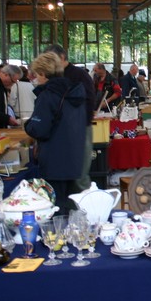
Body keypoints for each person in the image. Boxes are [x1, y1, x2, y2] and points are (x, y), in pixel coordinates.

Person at [25, 52, 86, 214]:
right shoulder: (76, 93)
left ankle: (55, 238)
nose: (36, 78)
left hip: (54, 161)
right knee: (69, 207)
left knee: (54, 208)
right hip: (74, 159)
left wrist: (27, 125)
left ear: (44, 74)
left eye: (37, 74)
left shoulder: (48, 95)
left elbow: (39, 129)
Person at [44, 44, 96, 193]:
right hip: (61, 133)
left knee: (80, 175)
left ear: (61, 57)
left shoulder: (78, 75)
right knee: (65, 175)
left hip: (80, 130)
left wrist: (77, 126)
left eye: (51, 59)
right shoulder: (54, 75)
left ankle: (87, 211)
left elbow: (89, 103)